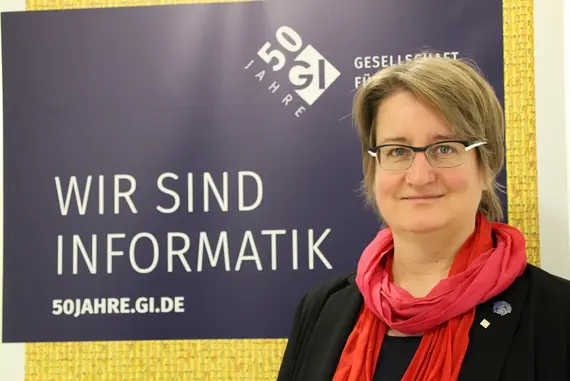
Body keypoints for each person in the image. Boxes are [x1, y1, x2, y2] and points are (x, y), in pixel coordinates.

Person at [276, 55, 570, 381]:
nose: (419, 176)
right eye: (397, 151)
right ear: (373, 169)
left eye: (444, 148)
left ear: (487, 165)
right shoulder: (321, 310)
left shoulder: (557, 315)